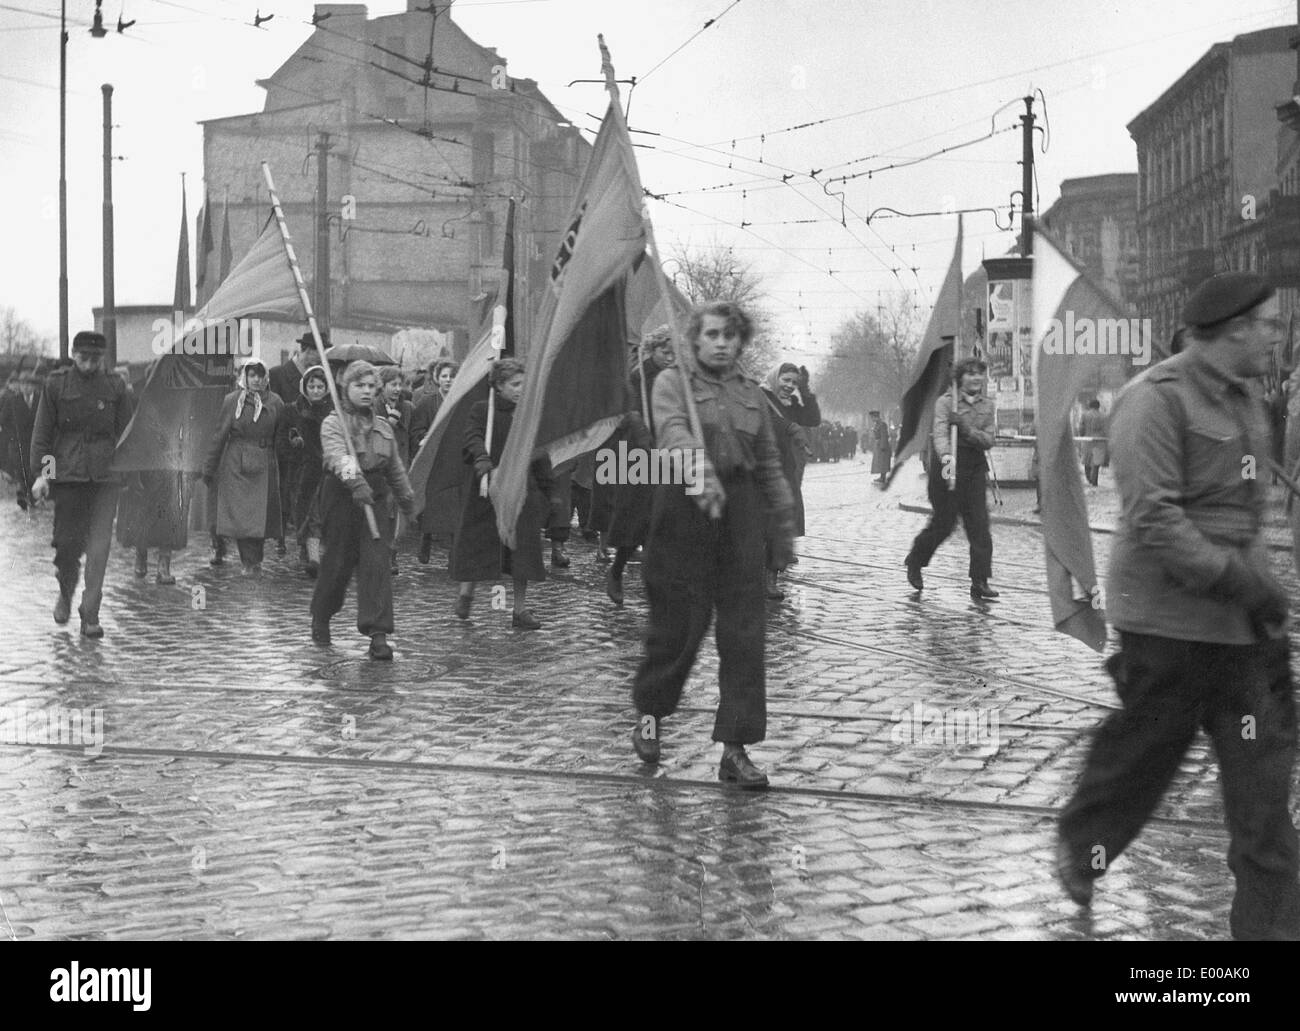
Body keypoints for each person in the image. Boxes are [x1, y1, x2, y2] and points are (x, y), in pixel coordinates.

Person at [1056, 271, 1300, 941]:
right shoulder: (1152, 401)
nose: (1277, 335)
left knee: (1264, 808)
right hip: (1168, 629)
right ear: (1235, 331)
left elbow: (1245, 511)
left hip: (1246, 636)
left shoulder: (1248, 401)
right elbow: (1155, 518)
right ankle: (1084, 841)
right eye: (1269, 324)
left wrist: (1259, 586)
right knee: (1142, 761)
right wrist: (1235, 577)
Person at [630, 301, 796, 789]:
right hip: (684, 509)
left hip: (740, 511)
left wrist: (781, 522)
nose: (722, 343)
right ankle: (649, 717)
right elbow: (673, 434)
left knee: (745, 633)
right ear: (695, 340)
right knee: (678, 628)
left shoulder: (751, 394)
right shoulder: (671, 383)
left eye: (731, 336)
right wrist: (700, 475)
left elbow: (767, 460)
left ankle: (735, 749)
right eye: (713, 335)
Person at [28, 330, 135, 637]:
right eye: (84, 358)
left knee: (99, 546)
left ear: (104, 359)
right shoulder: (56, 385)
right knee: (67, 544)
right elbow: (43, 434)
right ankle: (65, 590)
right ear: (74, 355)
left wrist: (127, 472)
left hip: (106, 476)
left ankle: (90, 613)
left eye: (95, 360)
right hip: (69, 474)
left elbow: (126, 433)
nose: (89, 365)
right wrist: (43, 474)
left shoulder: (115, 387)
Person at [310, 361, 414, 660]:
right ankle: (322, 615)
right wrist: (355, 482)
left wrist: (407, 499)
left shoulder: (383, 427)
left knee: (376, 564)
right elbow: (336, 456)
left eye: (371, 386)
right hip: (342, 498)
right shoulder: (333, 423)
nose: (367, 391)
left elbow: (395, 468)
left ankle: (378, 634)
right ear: (346, 388)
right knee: (338, 564)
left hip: (375, 499)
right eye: (360, 386)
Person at [450, 357, 551, 630]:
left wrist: (547, 488)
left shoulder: (528, 415)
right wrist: (483, 462)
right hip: (486, 488)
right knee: (477, 543)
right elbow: (471, 437)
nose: (521, 389)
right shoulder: (483, 410)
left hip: (520, 491)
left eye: (523, 384)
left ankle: (519, 610)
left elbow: (539, 451)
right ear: (499, 386)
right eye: (515, 384)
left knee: (522, 551)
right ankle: (466, 592)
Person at [904, 357, 998, 601]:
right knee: (944, 524)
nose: (976, 378)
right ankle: (915, 560)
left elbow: (988, 439)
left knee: (979, 526)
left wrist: (966, 428)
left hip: (975, 466)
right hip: (948, 465)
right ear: (959, 378)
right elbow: (941, 435)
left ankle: (980, 581)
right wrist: (947, 462)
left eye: (980, 373)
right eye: (970, 373)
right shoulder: (945, 403)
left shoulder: (987, 405)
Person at [602, 326, 676, 604]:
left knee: (665, 518)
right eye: (664, 352)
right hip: (637, 455)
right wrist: (646, 441)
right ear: (652, 349)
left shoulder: (676, 379)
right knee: (636, 518)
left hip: (668, 451)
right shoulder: (638, 376)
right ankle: (617, 571)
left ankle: (657, 581)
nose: (669, 357)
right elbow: (629, 413)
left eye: (673, 353)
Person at [202, 359, 284, 575]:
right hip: (235, 464)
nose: (256, 380)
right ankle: (250, 563)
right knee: (242, 518)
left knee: (259, 518)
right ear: (245, 377)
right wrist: (209, 468)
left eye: (260, 375)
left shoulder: (275, 402)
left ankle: (253, 560)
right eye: (252, 375)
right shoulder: (232, 401)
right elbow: (219, 435)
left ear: (266, 377)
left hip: (264, 463)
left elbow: (281, 435)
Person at [760, 361, 819, 599]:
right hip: (761, 466)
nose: (789, 386)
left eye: (794, 382)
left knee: (782, 524)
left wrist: (805, 392)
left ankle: (770, 578)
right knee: (760, 525)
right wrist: (790, 427)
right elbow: (765, 423)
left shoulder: (792, 403)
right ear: (776, 377)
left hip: (785, 468)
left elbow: (813, 419)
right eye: (786, 380)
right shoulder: (760, 395)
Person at [269, 333, 324, 556]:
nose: (318, 358)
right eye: (316, 352)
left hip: (311, 451)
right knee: (283, 493)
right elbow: (273, 411)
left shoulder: (321, 379)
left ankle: (306, 543)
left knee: (306, 499)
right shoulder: (278, 374)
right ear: (305, 351)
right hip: (287, 446)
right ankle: (281, 536)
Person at [279, 365, 333, 578]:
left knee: (318, 516)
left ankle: (313, 557)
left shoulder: (333, 411)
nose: (316, 390)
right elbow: (281, 441)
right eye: (312, 386)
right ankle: (308, 551)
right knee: (303, 513)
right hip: (300, 472)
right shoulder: (291, 410)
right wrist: (293, 446)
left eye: (321, 386)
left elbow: (345, 446)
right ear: (305, 386)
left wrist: (347, 476)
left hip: (327, 471)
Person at [412, 360, 458, 565]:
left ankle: (453, 552)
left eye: (452, 376)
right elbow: (416, 430)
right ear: (437, 379)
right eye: (445, 376)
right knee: (430, 505)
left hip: (453, 462)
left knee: (452, 506)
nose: (448, 380)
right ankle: (426, 539)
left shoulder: (461, 402)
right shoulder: (427, 402)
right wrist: (423, 439)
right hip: (432, 461)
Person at [377, 365, 413, 576]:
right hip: (381, 466)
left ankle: (391, 555)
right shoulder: (374, 406)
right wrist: (388, 424)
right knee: (382, 510)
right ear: (382, 386)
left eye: (400, 384)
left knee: (396, 513)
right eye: (393, 384)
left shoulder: (407, 408)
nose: (397, 389)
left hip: (401, 465)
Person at [0, 365, 39, 509]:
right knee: (21, 470)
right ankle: (22, 496)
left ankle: (31, 497)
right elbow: (3, 420)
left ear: (34, 386)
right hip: (17, 444)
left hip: (35, 444)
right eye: (23, 384)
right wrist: (10, 436)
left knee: (32, 471)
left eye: (29, 384)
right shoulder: (12, 400)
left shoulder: (41, 400)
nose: (26, 388)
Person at [1077, 399, 1107, 487]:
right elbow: (1106, 429)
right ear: (1099, 406)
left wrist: (1081, 436)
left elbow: (1081, 428)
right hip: (1100, 441)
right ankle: (1094, 481)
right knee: (1096, 463)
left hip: (1087, 441)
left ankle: (1090, 479)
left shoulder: (1085, 415)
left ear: (1090, 405)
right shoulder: (1103, 416)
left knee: (1087, 461)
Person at [868, 410, 892, 486]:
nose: (872, 419)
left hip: (882, 445)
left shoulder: (882, 424)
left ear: (876, 417)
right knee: (880, 461)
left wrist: (883, 446)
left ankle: (883, 477)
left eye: (872, 417)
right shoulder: (877, 424)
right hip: (878, 444)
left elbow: (884, 436)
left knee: (883, 461)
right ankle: (882, 476)